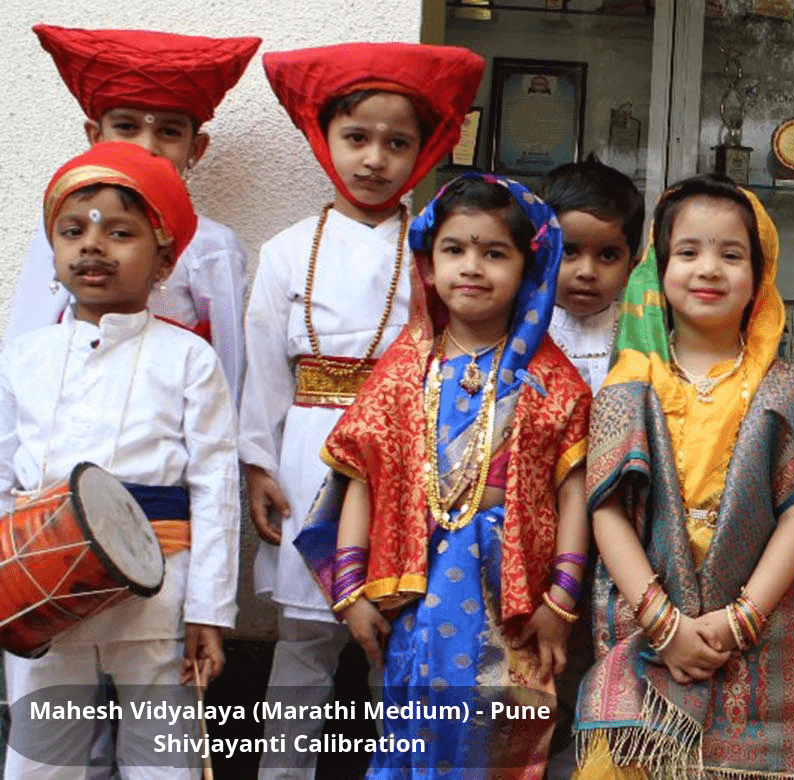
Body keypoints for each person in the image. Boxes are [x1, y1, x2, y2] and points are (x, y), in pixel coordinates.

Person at [242, 42, 485, 780]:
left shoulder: (434, 252)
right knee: (305, 639)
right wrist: (257, 462)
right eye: (357, 138)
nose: (374, 159)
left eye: (397, 142)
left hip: (411, 466)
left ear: (426, 149)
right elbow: (261, 371)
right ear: (325, 139)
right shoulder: (286, 251)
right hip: (309, 456)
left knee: (399, 637)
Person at [292, 173, 589, 777]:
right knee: (414, 737)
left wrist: (561, 599)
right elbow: (363, 479)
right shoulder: (404, 369)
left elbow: (573, 492)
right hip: (419, 598)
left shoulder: (551, 379)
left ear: (529, 267)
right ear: (430, 265)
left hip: (515, 600)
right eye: (454, 250)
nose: (471, 267)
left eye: (494, 253)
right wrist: (349, 592)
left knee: (502, 744)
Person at [573, 173, 794, 779]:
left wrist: (740, 619)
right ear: (660, 267)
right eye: (689, 252)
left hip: (752, 631)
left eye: (732, 255)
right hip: (645, 626)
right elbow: (606, 510)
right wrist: (664, 624)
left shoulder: (785, 391)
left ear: (760, 273)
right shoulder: (631, 383)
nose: (709, 269)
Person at [0, 142, 240, 779]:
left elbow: (216, 488)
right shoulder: (24, 356)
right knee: (40, 757)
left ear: (164, 257)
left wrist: (209, 613)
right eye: (73, 231)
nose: (93, 246)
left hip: (155, 594)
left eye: (121, 232)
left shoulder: (190, 359)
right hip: (39, 590)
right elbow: (2, 480)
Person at [8, 25, 259, 396]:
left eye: (169, 132)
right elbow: (26, 334)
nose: (146, 146)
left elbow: (229, 361)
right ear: (96, 137)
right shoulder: (67, 231)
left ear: (197, 148)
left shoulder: (212, 245)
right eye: (126, 127)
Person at [541, 158, 645, 391]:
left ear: (631, 267)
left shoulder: (643, 339)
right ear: (541, 255)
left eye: (608, 256)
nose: (586, 272)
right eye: (568, 251)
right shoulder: (522, 334)